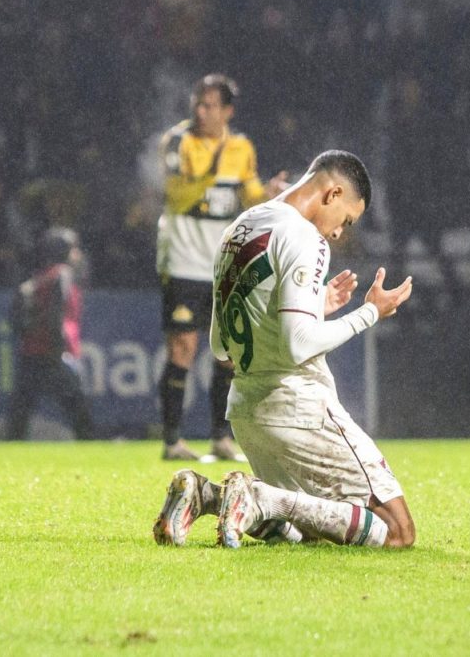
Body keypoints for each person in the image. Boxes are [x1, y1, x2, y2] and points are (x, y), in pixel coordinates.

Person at [153, 150, 417, 549]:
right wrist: (370, 313)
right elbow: (299, 345)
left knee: (309, 531)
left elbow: (219, 347)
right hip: (298, 408)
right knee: (398, 533)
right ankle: (260, 497)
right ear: (333, 192)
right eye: (346, 220)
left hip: (246, 411)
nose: (338, 233)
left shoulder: (241, 227)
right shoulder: (303, 236)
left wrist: (315, 306)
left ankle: (207, 495)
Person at [155, 73, 287, 461]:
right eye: (198, 103)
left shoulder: (242, 147)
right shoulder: (179, 141)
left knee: (227, 351)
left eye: (210, 105)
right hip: (182, 257)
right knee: (183, 347)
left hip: (223, 262)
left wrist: (268, 195)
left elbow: (248, 196)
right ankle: (172, 439)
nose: (201, 111)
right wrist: (214, 169)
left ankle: (220, 438)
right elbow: (176, 196)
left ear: (227, 111)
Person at [6, 227, 93, 440]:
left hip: (32, 351)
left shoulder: (39, 277)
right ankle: (88, 444)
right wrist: (58, 346)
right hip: (54, 351)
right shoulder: (62, 274)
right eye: (72, 249)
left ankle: (11, 449)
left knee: (21, 408)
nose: (77, 254)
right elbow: (57, 311)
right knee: (78, 407)